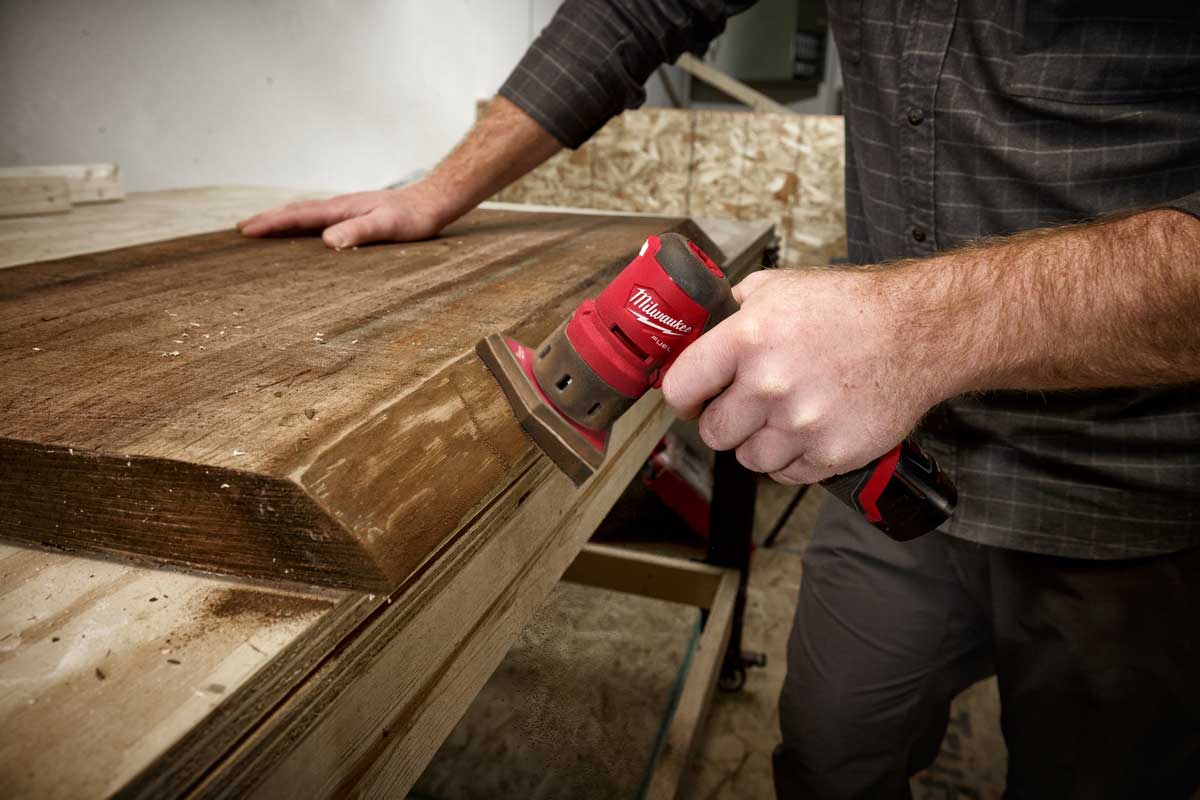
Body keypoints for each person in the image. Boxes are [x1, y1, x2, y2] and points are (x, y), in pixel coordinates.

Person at [240, 2, 1200, 796]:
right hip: (881, 463)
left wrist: (919, 329)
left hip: (1128, 491)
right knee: (830, 752)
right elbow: (635, 8)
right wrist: (440, 189)